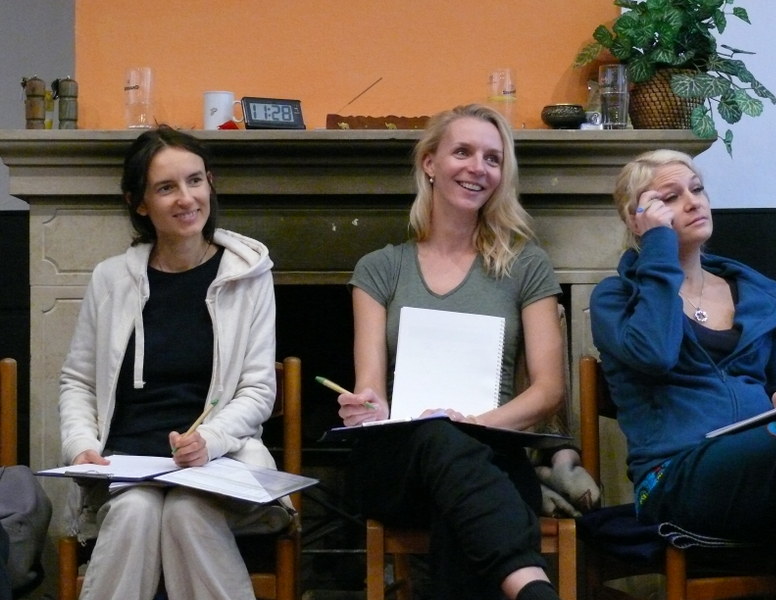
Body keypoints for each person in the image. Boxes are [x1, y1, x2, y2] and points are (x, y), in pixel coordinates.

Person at [337, 103, 578, 600]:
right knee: (440, 441)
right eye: (463, 152)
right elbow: (370, 388)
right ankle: (533, 588)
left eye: (492, 158)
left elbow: (550, 389)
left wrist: (472, 424)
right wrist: (365, 407)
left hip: (492, 453)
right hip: (401, 466)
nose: (478, 168)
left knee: (458, 486)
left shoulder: (526, 265)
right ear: (430, 162)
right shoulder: (380, 269)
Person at [59, 125, 287, 600]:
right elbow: (78, 381)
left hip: (219, 464)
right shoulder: (111, 279)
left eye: (195, 180)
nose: (186, 198)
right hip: (126, 466)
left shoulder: (248, 276)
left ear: (210, 184)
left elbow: (258, 389)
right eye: (166, 188)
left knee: (187, 510)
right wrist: (80, 447)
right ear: (139, 203)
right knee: (135, 511)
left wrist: (209, 441)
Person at [590, 149, 776, 597]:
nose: (693, 202)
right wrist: (658, 248)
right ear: (636, 219)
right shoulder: (616, 298)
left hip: (768, 471)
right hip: (673, 477)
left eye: (697, 189)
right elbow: (655, 354)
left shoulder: (759, 295)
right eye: (670, 197)